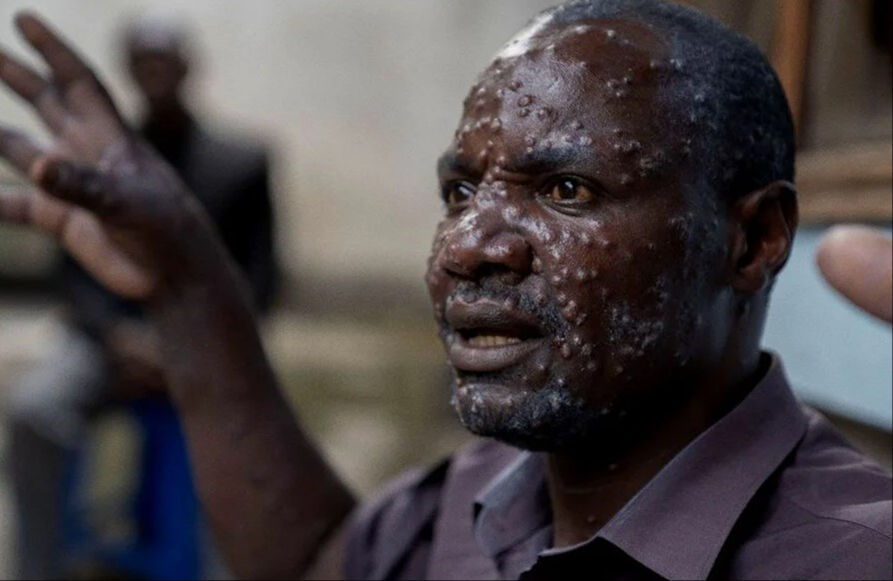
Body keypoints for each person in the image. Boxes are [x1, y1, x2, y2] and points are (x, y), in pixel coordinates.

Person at [0, 1, 889, 579]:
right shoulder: (484, 495)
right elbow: (318, 561)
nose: (468, 247)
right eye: (459, 192)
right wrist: (190, 283)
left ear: (753, 239)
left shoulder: (848, 556)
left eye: (565, 190)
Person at [2, 14, 277, 579]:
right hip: (109, 344)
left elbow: (261, 277)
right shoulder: (97, 164)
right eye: (142, 63)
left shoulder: (239, 164)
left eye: (164, 62)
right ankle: (41, 567)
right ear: (127, 69)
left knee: (241, 439)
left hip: (204, 350)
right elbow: (73, 272)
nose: (154, 75)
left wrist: (189, 342)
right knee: (34, 410)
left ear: (187, 66)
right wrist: (116, 338)